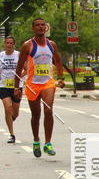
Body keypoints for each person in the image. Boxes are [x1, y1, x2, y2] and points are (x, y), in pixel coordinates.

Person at [14, 18, 71, 157]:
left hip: (47, 83)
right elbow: (19, 66)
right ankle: (36, 140)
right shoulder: (27, 45)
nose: (41, 27)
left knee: (48, 110)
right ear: (33, 28)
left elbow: (58, 61)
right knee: (36, 115)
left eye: (43, 25)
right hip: (32, 84)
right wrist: (16, 87)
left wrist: (60, 78)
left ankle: (48, 143)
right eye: (37, 25)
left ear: (46, 28)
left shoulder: (52, 45)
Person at [0, 36, 21, 143]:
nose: (9, 45)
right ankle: (12, 134)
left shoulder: (18, 55)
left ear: (14, 45)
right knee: (7, 108)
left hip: (17, 86)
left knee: (15, 113)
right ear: (4, 44)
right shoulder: (1, 56)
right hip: (4, 86)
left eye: (11, 43)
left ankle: (11, 118)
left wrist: (18, 77)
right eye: (7, 43)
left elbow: (26, 69)